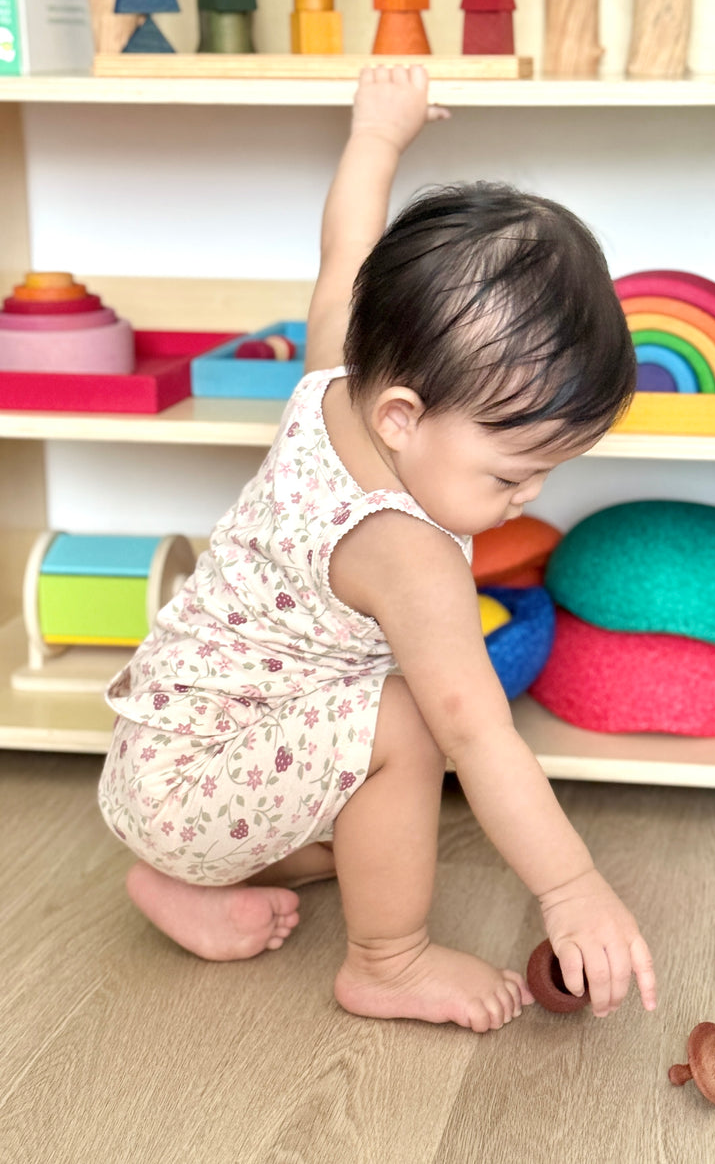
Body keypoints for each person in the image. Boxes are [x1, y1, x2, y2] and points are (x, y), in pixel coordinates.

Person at [98, 64, 657, 1033]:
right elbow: (478, 733)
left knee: (369, 811)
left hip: (165, 756)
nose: (529, 498)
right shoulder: (406, 550)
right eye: (511, 474)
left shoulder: (336, 376)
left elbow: (345, 247)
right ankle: (386, 961)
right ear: (404, 416)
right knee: (406, 721)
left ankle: (178, 882)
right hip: (193, 786)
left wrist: (377, 136)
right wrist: (571, 887)